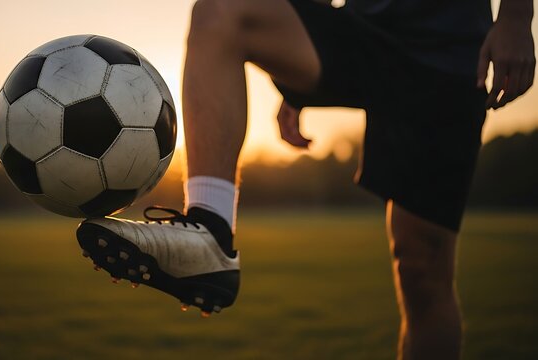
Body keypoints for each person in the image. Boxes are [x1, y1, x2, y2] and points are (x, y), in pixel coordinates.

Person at [77, 0, 535, 358]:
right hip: (365, 33)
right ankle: (210, 234)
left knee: (422, 269)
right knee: (221, 14)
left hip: (450, 52)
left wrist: (515, 15)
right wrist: (292, 79)